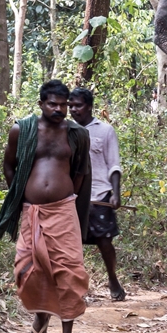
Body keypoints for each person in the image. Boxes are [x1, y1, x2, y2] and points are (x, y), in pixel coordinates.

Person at [0, 79, 91, 333]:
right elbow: (9, 165)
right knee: (27, 270)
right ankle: (41, 315)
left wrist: (66, 196)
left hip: (63, 210)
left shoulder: (76, 134)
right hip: (31, 211)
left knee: (69, 270)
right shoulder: (21, 130)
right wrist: (23, 194)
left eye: (64, 105)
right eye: (53, 104)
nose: (59, 109)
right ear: (41, 104)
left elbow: (80, 171)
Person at [68, 87, 126, 301]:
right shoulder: (65, 130)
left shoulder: (105, 130)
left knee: (104, 242)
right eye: (70, 106)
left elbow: (114, 164)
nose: (74, 110)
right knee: (71, 245)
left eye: (78, 105)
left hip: (99, 195)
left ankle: (113, 278)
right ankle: (75, 289)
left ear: (89, 106)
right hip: (72, 196)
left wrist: (115, 193)